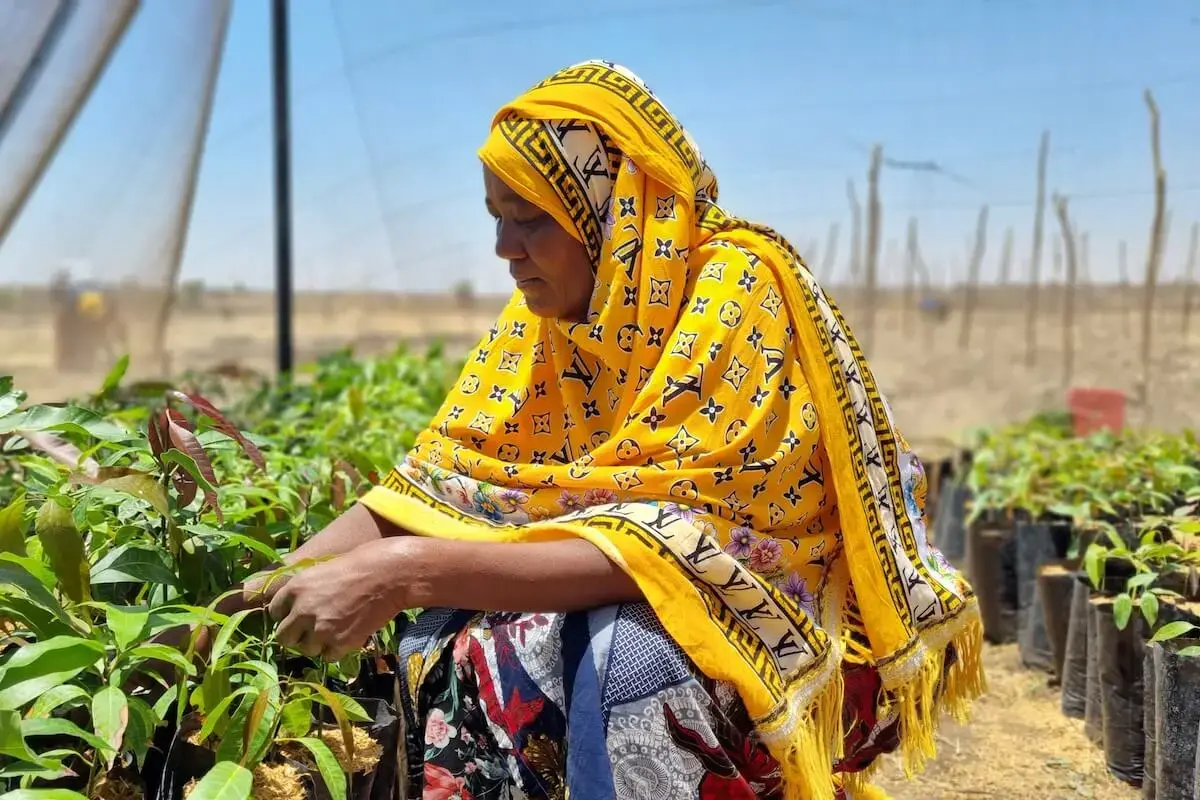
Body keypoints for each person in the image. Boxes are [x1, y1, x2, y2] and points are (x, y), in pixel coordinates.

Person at [210, 61, 984, 799]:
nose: (504, 250)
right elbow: (430, 490)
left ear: (615, 214)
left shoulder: (737, 290)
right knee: (441, 645)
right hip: (628, 572)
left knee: (631, 667)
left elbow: (681, 550)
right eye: (496, 219)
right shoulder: (540, 325)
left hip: (767, 617)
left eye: (530, 222)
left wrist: (405, 573)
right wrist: (232, 613)